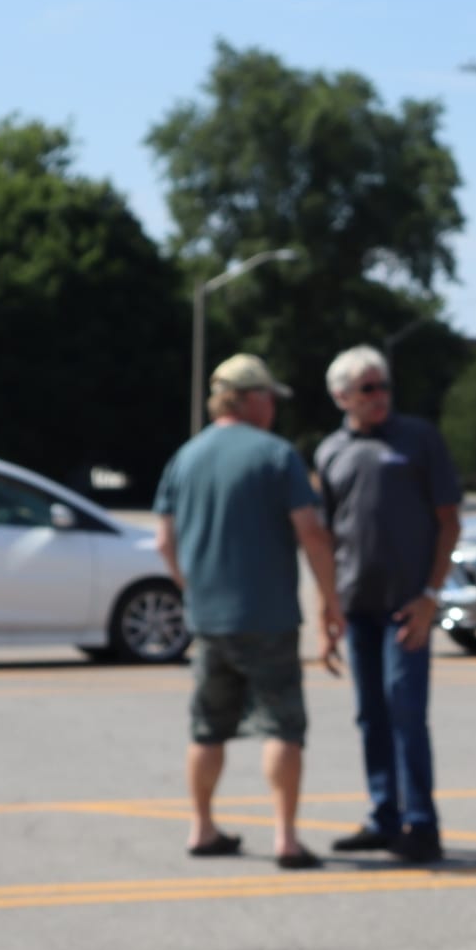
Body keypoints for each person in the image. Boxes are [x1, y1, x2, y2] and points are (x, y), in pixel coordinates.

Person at [153, 352, 343, 872]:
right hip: (269, 618)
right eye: (270, 398)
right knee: (282, 727)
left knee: (207, 728)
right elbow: (311, 534)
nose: (275, 408)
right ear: (252, 398)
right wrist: (330, 603)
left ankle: (202, 827)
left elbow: (163, 540)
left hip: (209, 619)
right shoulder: (276, 456)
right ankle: (285, 837)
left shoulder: (185, 458)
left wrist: (193, 587)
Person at [313, 343, 462, 863]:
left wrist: (429, 597)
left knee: (405, 711)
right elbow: (326, 538)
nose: (381, 397)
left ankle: (421, 824)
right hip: (358, 607)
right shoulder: (329, 452)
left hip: (407, 608)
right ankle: (384, 815)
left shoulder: (418, 440)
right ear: (341, 397)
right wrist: (326, 608)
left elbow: (449, 521)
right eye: (368, 389)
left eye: (384, 386)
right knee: (370, 714)